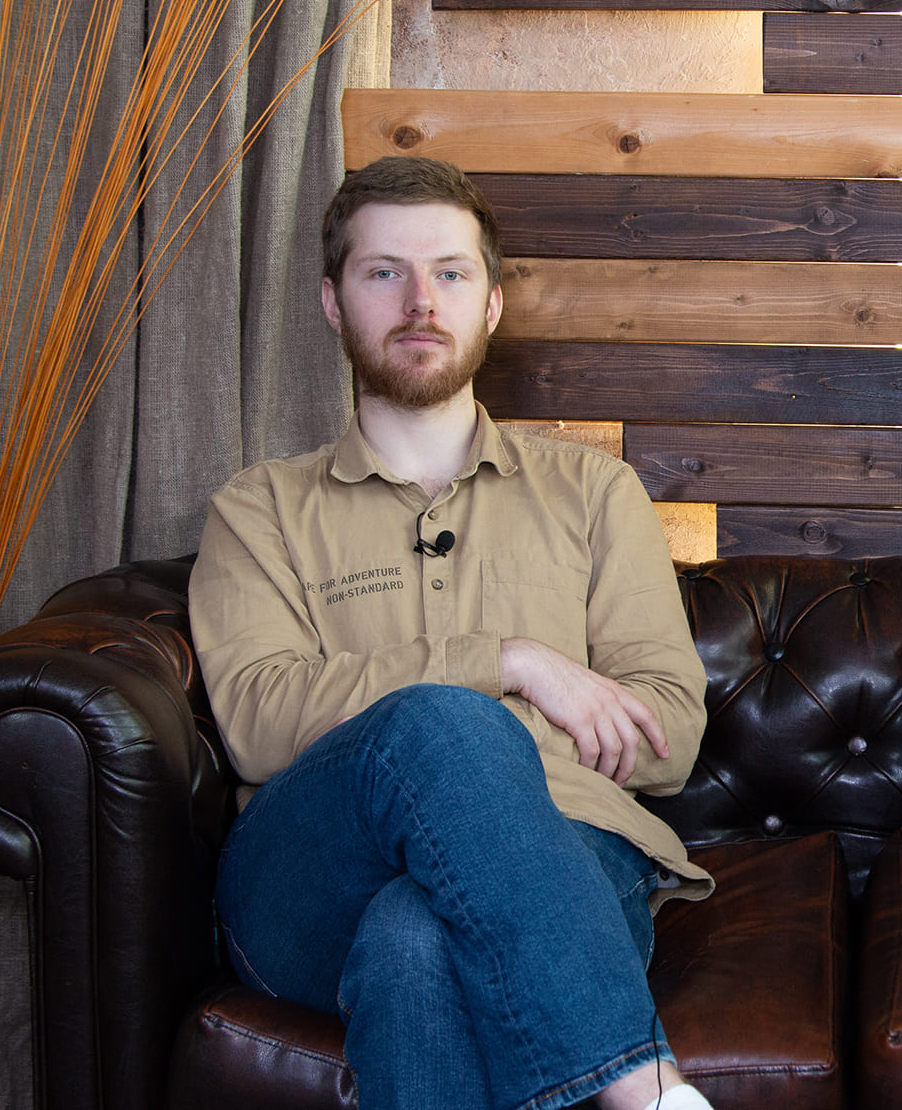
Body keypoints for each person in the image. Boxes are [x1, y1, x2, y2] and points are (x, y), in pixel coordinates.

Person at [189, 156, 716, 1110]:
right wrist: (515, 666)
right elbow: (263, 723)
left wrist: (470, 771)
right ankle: (649, 1092)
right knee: (440, 721)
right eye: (384, 271)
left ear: (493, 304)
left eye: (450, 272)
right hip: (310, 876)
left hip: (569, 849)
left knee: (417, 933)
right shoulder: (257, 509)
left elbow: (667, 734)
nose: (420, 302)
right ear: (333, 302)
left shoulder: (595, 493)